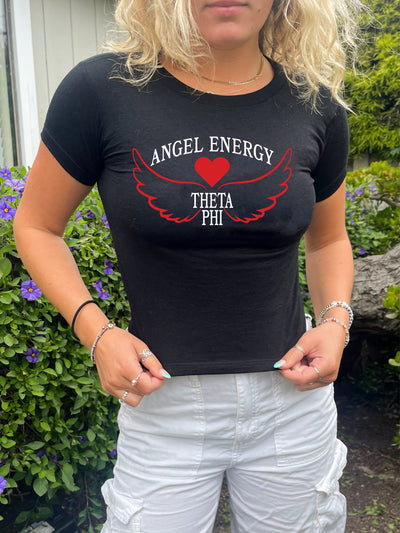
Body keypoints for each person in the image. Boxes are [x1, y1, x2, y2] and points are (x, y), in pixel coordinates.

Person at [14, 1, 362, 531]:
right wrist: (97, 332)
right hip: (162, 401)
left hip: (293, 401)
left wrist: (336, 322)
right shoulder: (102, 90)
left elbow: (328, 240)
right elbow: (37, 226)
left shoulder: (314, 103)